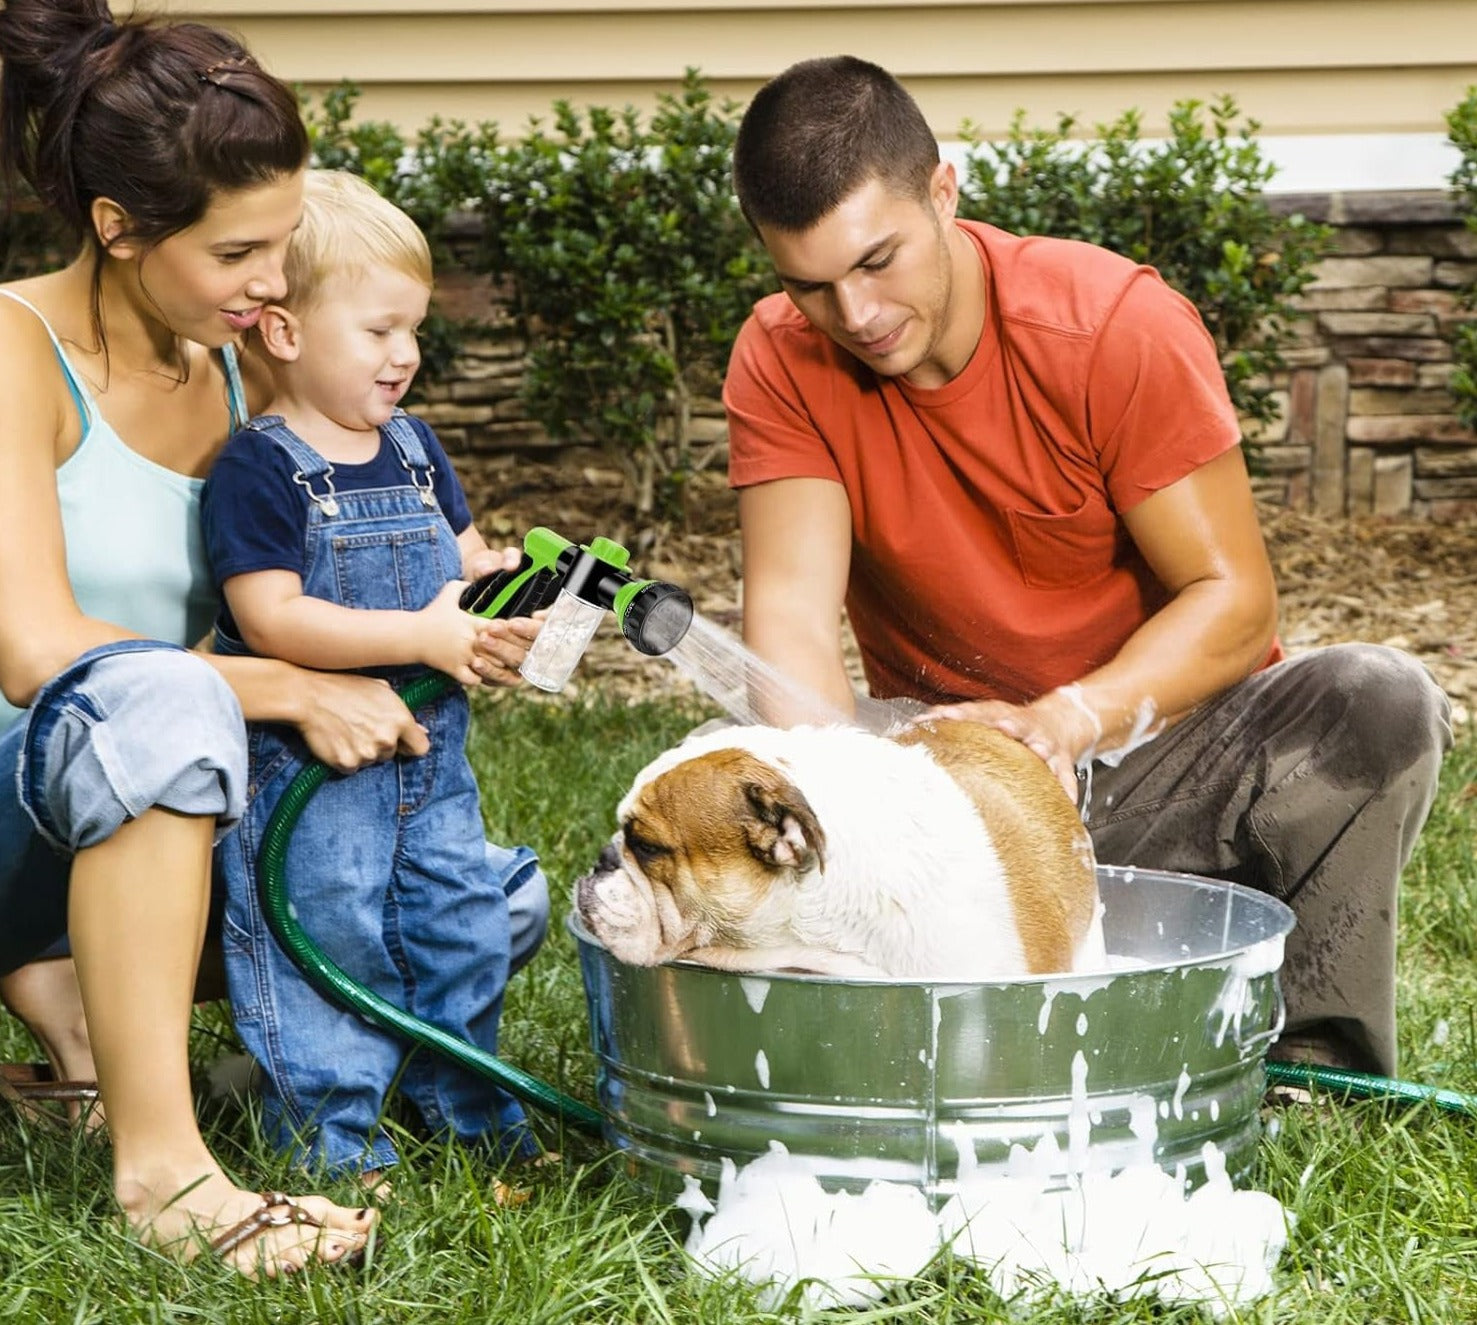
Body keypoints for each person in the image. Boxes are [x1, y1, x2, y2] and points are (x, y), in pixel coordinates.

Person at [723, 55, 1453, 1078]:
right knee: (737, 772)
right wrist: (849, 811)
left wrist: (1067, 718)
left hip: (1155, 761)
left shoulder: (1110, 326)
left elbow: (1234, 603)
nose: (855, 314)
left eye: (877, 260)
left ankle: (1312, 1063)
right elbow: (792, 616)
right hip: (955, 793)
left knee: (1380, 698)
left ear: (944, 189)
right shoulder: (780, 354)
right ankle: (877, 1031)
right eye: (809, 284)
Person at [0, 0, 540, 1274]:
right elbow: (35, 646)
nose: (274, 282)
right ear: (118, 229)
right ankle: (166, 1173)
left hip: (163, 813)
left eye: (286, 241)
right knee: (169, 701)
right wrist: (288, 682)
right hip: (21, 794)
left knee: (481, 905)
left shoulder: (240, 366)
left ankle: (185, 1046)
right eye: (241, 250)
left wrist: (446, 616)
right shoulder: (15, 351)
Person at [202, 169, 544, 1184]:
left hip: (431, 766)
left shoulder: (415, 448)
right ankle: (331, 1141)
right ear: (285, 332)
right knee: (326, 940)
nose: (406, 354)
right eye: (380, 330)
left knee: (465, 925)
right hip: (312, 777)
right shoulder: (259, 468)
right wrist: (421, 634)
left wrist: (494, 602)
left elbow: (463, 560)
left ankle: (470, 1113)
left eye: (415, 331)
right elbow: (271, 616)